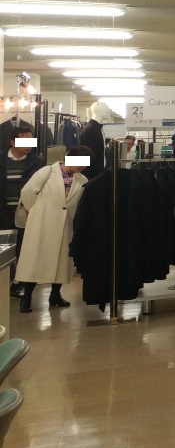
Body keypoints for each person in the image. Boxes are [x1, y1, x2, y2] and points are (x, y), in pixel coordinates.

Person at [16, 145, 91, 313]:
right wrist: (36, 212)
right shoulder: (47, 172)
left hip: (65, 226)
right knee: (35, 261)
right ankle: (27, 297)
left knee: (61, 263)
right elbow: (27, 193)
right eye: (81, 162)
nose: (83, 167)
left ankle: (55, 295)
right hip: (42, 223)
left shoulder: (82, 180)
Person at [2, 128, 44, 298]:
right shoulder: (1, 159)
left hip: (26, 213)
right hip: (2, 212)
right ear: (12, 142)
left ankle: (18, 283)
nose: (28, 145)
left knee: (23, 249)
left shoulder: (38, 162)